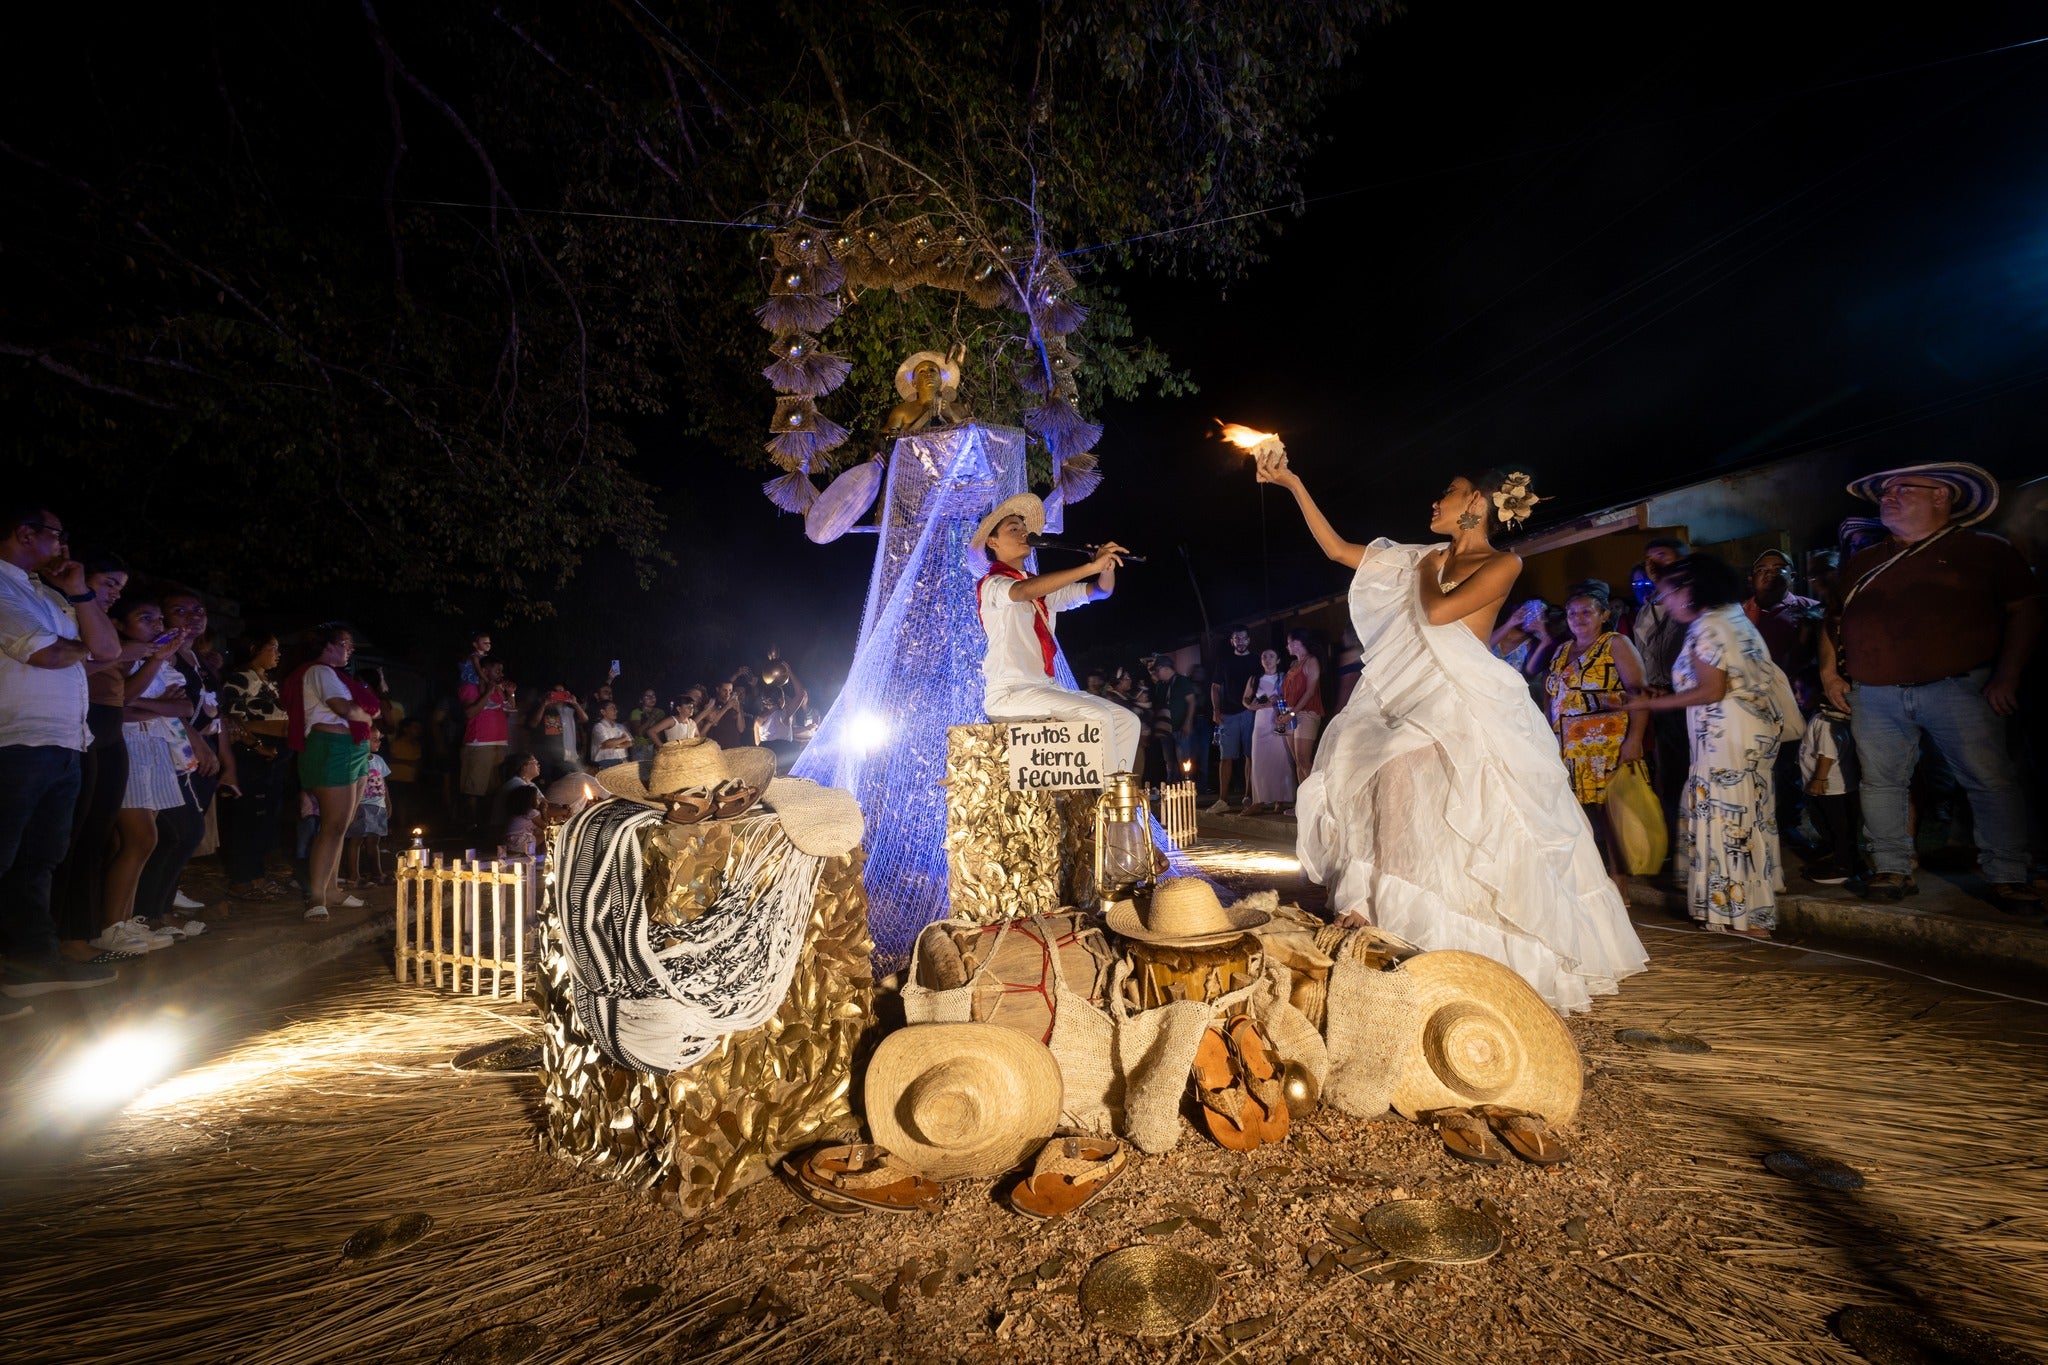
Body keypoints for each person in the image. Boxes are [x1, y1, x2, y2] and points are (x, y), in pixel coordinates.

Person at [1255, 452, 1646, 1013]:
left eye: (1450, 491)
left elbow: (1439, 614)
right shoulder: (1423, 555)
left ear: (1477, 503)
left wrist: (1424, 573)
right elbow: (1339, 550)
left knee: (1457, 801)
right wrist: (1292, 482)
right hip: (1411, 693)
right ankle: (1382, 911)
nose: (1436, 501)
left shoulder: (1502, 562)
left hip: (1462, 696)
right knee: (1391, 786)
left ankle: (1437, 926)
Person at [1822, 462, 2040, 913]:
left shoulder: (1985, 549)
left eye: (1902, 489)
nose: (1888, 497)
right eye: (1885, 491)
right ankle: (1891, 867)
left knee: (1989, 780)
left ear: (1941, 495)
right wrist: (1830, 674)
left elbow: (2025, 610)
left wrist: (2008, 674)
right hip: (1876, 693)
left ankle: (2008, 874)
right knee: (1881, 782)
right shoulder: (1864, 561)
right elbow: (1833, 621)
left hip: (1959, 688)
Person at [1625, 554, 1787, 938]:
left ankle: (1744, 917)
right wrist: (1660, 694)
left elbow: (1712, 690)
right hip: (1748, 736)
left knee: (1729, 825)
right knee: (1746, 820)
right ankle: (1747, 911)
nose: (1665, 603)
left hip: (1725, 740)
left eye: (1667, 594)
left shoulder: (1708, 627)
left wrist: (1650, 704)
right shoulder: (1732, 618)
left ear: (1689, 590)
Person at [0, 504, 123, 995]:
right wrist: (82, 647)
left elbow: (109, 649)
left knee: (39, 860)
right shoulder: (3, 586)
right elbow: (46, 654)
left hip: (64, 741)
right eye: (57, 534)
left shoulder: (50, 595)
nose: (64, 546)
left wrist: (79, 592)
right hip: (16, 740)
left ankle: (31, 964)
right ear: (25, 533)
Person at [970, 493, 1140, 773]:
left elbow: (1100, 591)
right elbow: (1022, 592)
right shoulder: (992, 584)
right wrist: (1090, 566)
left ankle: (1116, 793)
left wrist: (1105, 567)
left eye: (1024, 528)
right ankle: (1109, 798)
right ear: (993, 541)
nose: (1023, 533)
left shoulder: (1041, 589)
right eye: (1013, 528)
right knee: (1096, 716)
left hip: (1044, 689)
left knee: (1127, 721)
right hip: (1010, 692)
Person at [1543, 581, 1647, 888]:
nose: (1578, 618)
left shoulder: (1616, 644)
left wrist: (1634, 740)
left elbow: (1638, 694)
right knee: (1578, 814)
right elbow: (1552, 695)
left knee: (1612, 815)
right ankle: (1589, 881)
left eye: (1586, 612)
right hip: (1568, 746)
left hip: (1607, 743)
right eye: (1572, 613)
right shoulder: (1562, 650)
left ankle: (1620, 884)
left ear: (1604, 614)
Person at [101, 596, 190, 954]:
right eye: (145, 617)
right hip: (128, 747)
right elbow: (120, 701)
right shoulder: (119, 657)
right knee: (141, 839)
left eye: (158, 619)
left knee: (135, 843)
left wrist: (144, 705)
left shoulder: (161, 663)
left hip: (154, 747)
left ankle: (125, 921)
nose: (156, 624)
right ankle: (110, 926)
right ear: (120, 625)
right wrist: (154, 703)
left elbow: (183, 706)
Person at [286, 622, 377, 920]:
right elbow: (342, 707)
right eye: (345, 643)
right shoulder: (319, 671)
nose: (351, 649)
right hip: (332, 748)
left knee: (342, 825)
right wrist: (367, 716)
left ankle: (332, 889)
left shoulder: (334, 674)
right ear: (327, 646)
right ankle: (316, 896)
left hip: (351, 747)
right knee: (333, 824)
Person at [219, 631, 293, 901]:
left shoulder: (267, 681)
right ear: (254, 648)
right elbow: (231, 716)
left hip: (273, 752)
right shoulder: (240, 678)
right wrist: (256, 745)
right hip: (251, 754)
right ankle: (242, 880)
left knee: (264, 817)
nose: (278, 654)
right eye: (273, 648)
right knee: (247, 815)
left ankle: (257, 876)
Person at [1799, 688, 1860, 885]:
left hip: (1830, 788)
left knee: (1834, 828)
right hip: (1841, 786)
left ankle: (1842, 867)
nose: (1798, 695)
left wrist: (1819, 780)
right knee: (1842, 828)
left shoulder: (1825, 721)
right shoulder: (1833, 718)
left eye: (1801, 690)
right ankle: (1848, 862)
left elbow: (1828, 753)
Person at [458, 659, 513, 828]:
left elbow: (508, 713)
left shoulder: (498, 689)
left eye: (502, 671)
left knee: (492, 788)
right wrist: (488, 692)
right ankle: (470, 825)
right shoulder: (470, 687)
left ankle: (486, 825)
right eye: (497, 670)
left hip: (497, 742)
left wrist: (510, 694)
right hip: (479, 742)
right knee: (474, 789)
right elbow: (469, 712)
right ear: (484, 670)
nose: (501, 674)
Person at [1242, 648, 1295, 814]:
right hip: (1261, 720)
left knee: (1280, 759)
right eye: (1264, 656)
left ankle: (1281, 799)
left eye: (1272, 656)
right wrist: (1249, 705)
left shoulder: (1284, 677)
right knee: (1259, 760)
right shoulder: (1255, 678)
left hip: (1279, 718)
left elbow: (1292, 696)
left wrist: (1279, 700)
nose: (1267, 659)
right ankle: (1259, 800)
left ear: (1278, 660)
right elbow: (1245, 698)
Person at [343, 729, 391, 886]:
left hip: (378, 806)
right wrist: (352, 806)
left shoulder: (379, 760)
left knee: (374, 840)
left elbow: (383, 783)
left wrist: (387, 802)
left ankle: (377, 873)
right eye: (374, 739)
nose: (379, 742)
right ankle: (354, 876)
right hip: (361, 805)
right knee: (356, 840)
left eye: (379, 739)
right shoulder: (355, 760)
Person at [1282, 629, 1327, 782]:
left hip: (1306, 712)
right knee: (1297, 760)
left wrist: (1292, 714)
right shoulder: (1294, 664)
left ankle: (1317, 795)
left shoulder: (1311, 661)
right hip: (1290, 713)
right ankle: (1303, 796)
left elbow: (1310, 692)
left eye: (1289, 643)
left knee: (1303, 759)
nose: (1287, 646)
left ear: (1296, 642)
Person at [1150, 655, 1200, 784]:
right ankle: (1172, 784)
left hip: (1180, 727)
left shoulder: (1182, 681)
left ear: (1166, 668)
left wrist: (1188, 722)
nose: (1156, 673)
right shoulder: (1160, 685)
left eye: (1158, 670)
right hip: (1165, 729)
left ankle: (1186, 785)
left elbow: (1191, 702)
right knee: (1169, 760)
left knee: (1184, 758)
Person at [587, 699, 632, 769]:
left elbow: (631, 742)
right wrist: (623, 738)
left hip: (622, 759)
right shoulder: (599, 727)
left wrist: (617, 745)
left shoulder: (620, 726)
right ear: (603, 712)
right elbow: (607, 744)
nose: (616, 711)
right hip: (605, 762)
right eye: (612, 708)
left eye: (615, 708)